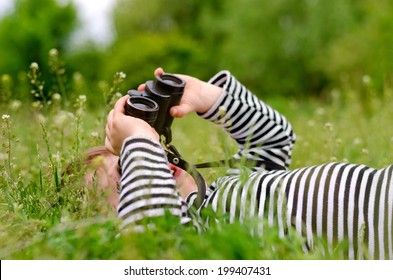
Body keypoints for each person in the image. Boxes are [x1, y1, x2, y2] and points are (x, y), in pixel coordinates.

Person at [97, 67, 392, 260]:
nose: (150, 160)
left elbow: (275, 139)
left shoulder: (232, 188)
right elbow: (153, 242)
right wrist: (140, 137)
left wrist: (206, 96)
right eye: (128, 169)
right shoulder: (203, 246)